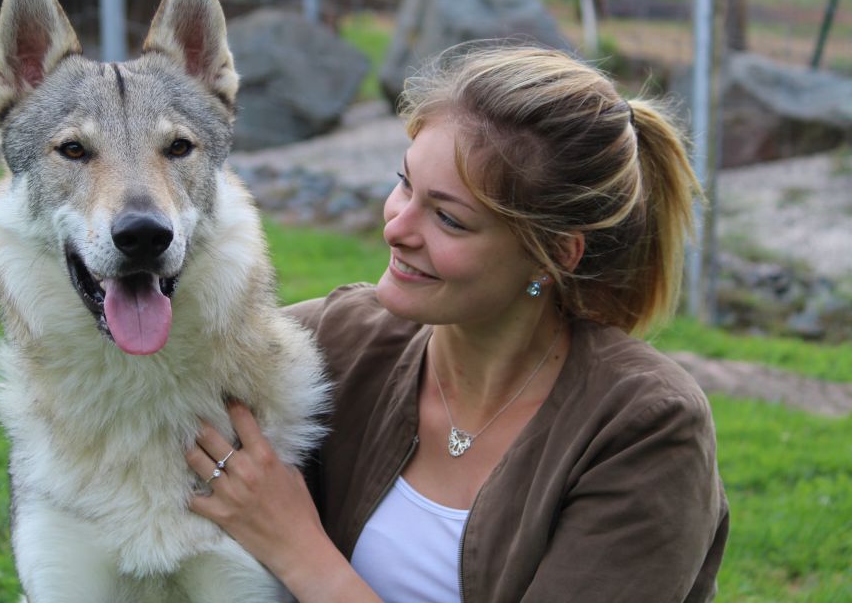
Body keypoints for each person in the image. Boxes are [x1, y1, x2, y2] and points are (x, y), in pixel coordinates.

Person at [185, 44, 729, 602]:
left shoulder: (644, 428)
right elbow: (164, 367)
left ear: (556, 255)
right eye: (405, 184)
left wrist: (297, 547)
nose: (398, 227)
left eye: (448, 218)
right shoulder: (344, 339)